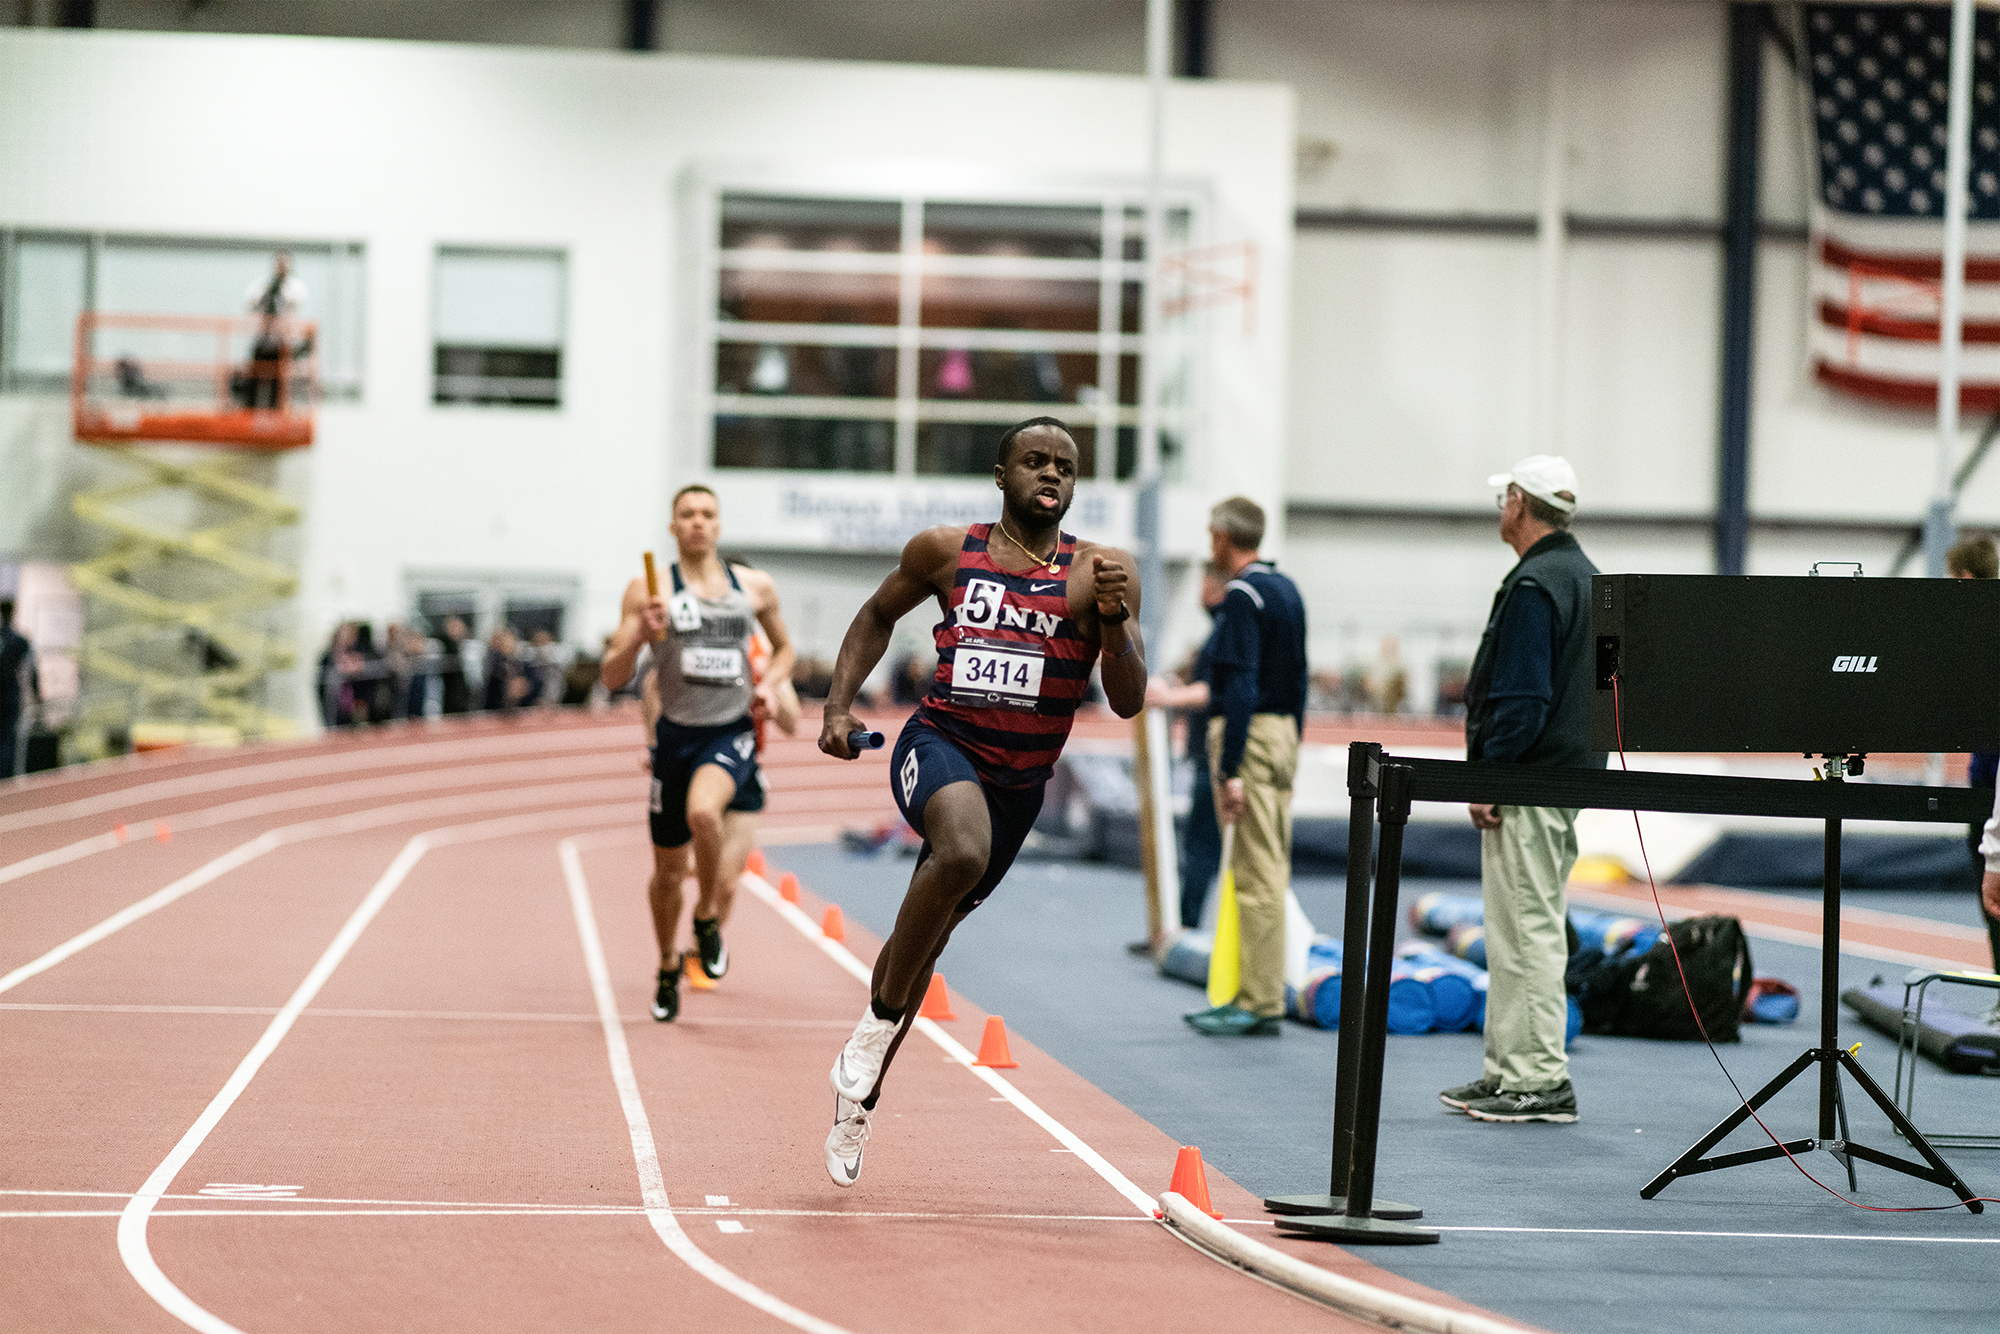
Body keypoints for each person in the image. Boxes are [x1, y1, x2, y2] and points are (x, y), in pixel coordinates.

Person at [815, 415, 1145, 1187]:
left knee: (928, 944)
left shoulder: (1099, 571)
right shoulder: (944, 552)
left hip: (1019, 786)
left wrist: (1119, 625)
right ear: (1002, 475)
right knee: (959, 849)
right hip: (939, 746)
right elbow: (874, 616)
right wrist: (837, 706)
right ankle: (877, 1025)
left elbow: (1127, 702)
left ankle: (859, 1101)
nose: (1051, 474)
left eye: (1065, 464)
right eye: (1034, 461)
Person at [1441, 455, 1601, 1125]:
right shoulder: (1584, 576)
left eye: (1503, 497)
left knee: (1527, 929)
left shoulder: (1538, 583)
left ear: (1519, 502)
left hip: (1531, 776)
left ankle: (1538, 1078)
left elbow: (1523, 697)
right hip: (1562, 770)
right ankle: (1510, 1068)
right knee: (1514, 928)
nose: (1498, 509)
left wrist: (1490, 773)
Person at [600, 484, 795, 1024]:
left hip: (728, 731)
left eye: (707, 514)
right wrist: (641, 632)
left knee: (704, 813)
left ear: (719, 525)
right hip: (675, 739)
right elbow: (612, 674)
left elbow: (786, 648)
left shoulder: (753, 587)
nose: (698, 523)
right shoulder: (649, 586)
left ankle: (707, 916)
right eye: (686, 514)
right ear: (672, 527)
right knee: (665, 875)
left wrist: (769, 684)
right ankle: (666, 964)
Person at [1183, 499, 1307, 1038]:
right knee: (1270, 867)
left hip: (1252, 734)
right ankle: (1257, 992)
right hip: (1281, 732)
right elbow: (1298, 678)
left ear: (1222, 538)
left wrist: (1230, 767)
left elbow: (1239, 685)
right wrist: (1293, 742)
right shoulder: (1285, 588)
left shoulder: (1241, 595)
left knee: (1255, 872)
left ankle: (1257, 1001)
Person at [1145, 563, 1227, 931]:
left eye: (1202, 582)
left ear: (1215, 585)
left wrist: (1169, 697)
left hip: (1216, 755)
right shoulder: (1217, 631)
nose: (1198, 592)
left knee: (1202, 848)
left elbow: (1216, 691)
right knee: (1198, 846)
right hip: (1205, 752)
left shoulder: (1228, 629)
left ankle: (1186, 929)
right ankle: (1180, 927)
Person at [1950, 534, 2000, 982]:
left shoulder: (1982, 631)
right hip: (1984, 781)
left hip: (1990, 785)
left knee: (1993, 895)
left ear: (1965, 577)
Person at [241, 251, 307, 410]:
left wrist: (280, 290)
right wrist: (269, 290)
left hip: (282, 341)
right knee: (256, 375)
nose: (281, 268)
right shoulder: (263, 285)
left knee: (279, 380)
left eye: (284, 264)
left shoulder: (294, 286)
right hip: (263, 338)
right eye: (278, 264)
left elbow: (294, 301)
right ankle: (250, 408)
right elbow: (251, 301)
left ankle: (276, 409)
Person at [0, 601, 39, 779]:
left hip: (8, 693)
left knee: (7, 736)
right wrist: (36, 692)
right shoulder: (20, 640)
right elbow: (31, 668)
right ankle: (4, 776)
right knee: (7, 737)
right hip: (9, 693)